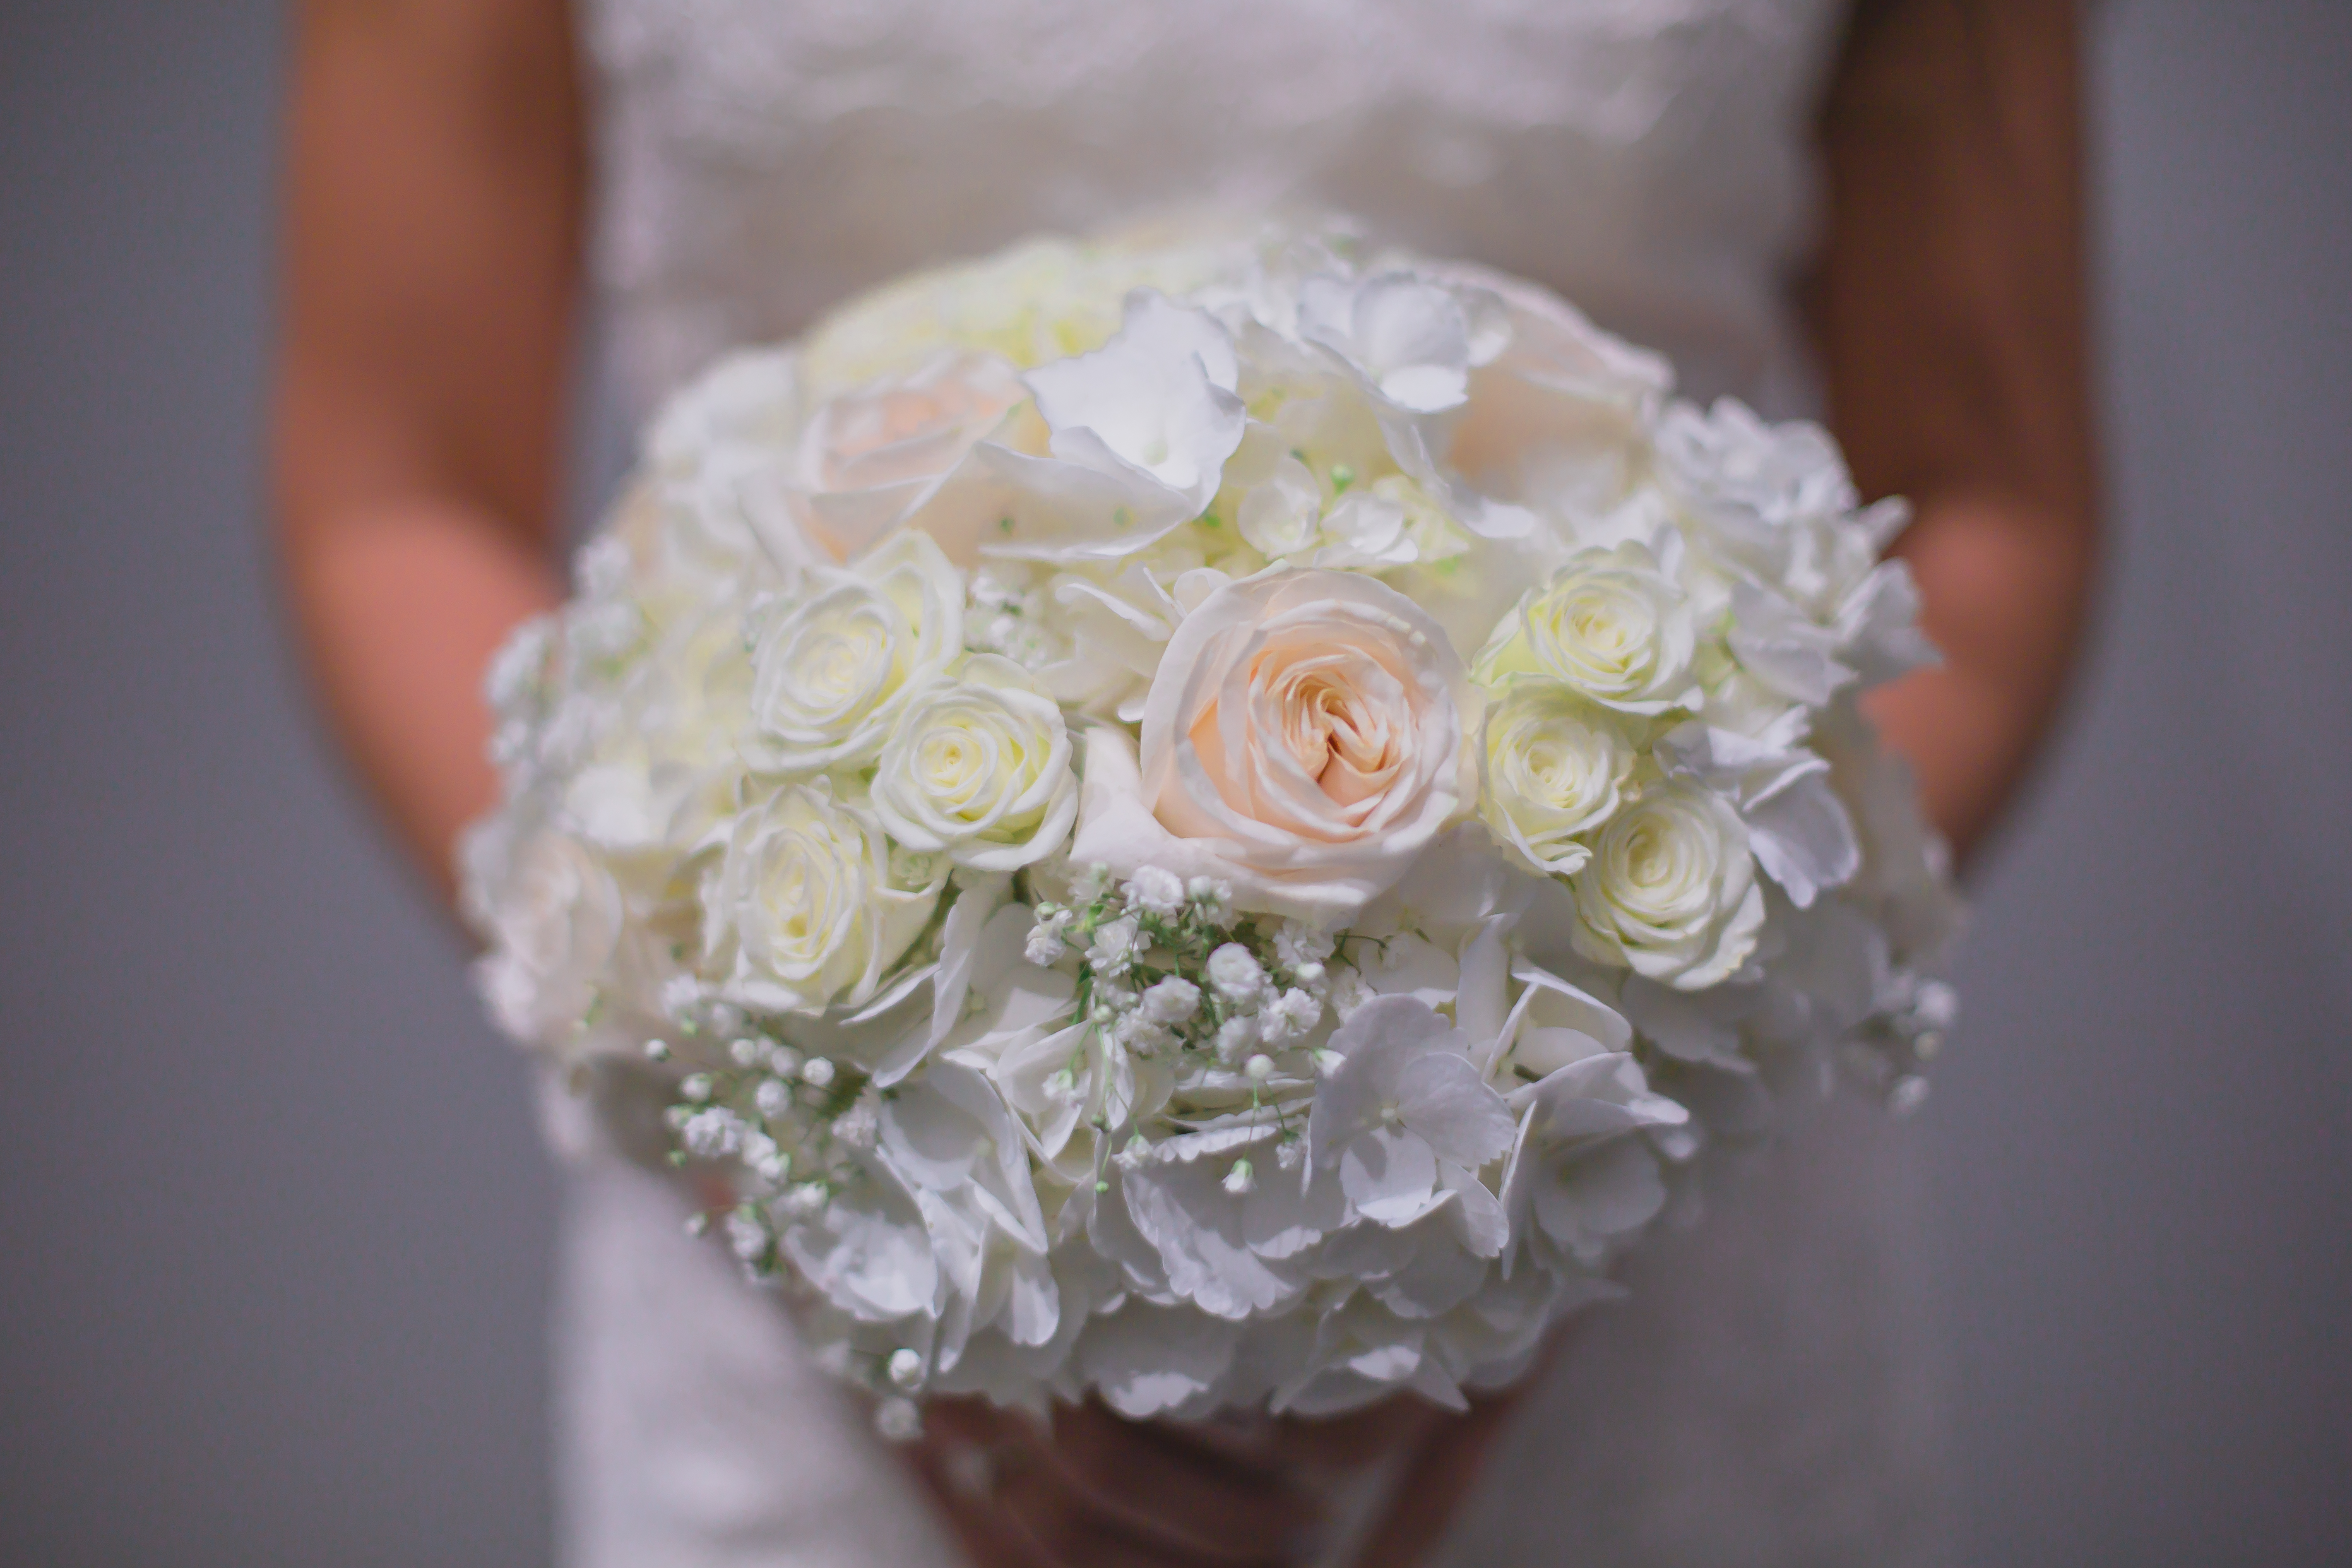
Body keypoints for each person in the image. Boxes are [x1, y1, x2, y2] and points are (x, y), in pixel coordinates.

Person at [271, 1, 2096, 1563]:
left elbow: (1985, 492)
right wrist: (816, 1194)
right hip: (823, 1256)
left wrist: (1567, 1164)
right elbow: (397, 484)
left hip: (1643, 1287)